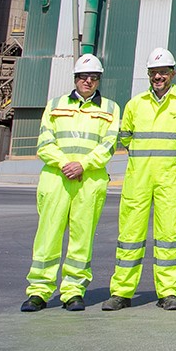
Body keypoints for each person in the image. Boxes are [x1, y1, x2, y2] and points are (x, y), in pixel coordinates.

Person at [103, 48, 176, 310]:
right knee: (130, 235)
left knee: (169, 235)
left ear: (172, 73)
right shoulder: (135, 105)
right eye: (154, 72)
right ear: (148, 74)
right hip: (138, 178)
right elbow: (125, 136)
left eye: (163, 72)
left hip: (169, 177)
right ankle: (121, 292)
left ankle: (168, 292)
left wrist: (169, 156)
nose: (159, 77)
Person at [21, 54, 119, 312]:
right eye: (84, 77)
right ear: (75, 78)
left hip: (89, 181)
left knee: (82, 239)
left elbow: (108, 146)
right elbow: (44, 143)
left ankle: (73, 291)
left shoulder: (109, 109)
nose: (88, 81)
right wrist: (65, 163)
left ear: (99, 80)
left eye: (94, 77)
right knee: (47, 235)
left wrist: (82, 165)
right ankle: (39, 291)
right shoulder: (55, 105)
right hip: (57, 179)